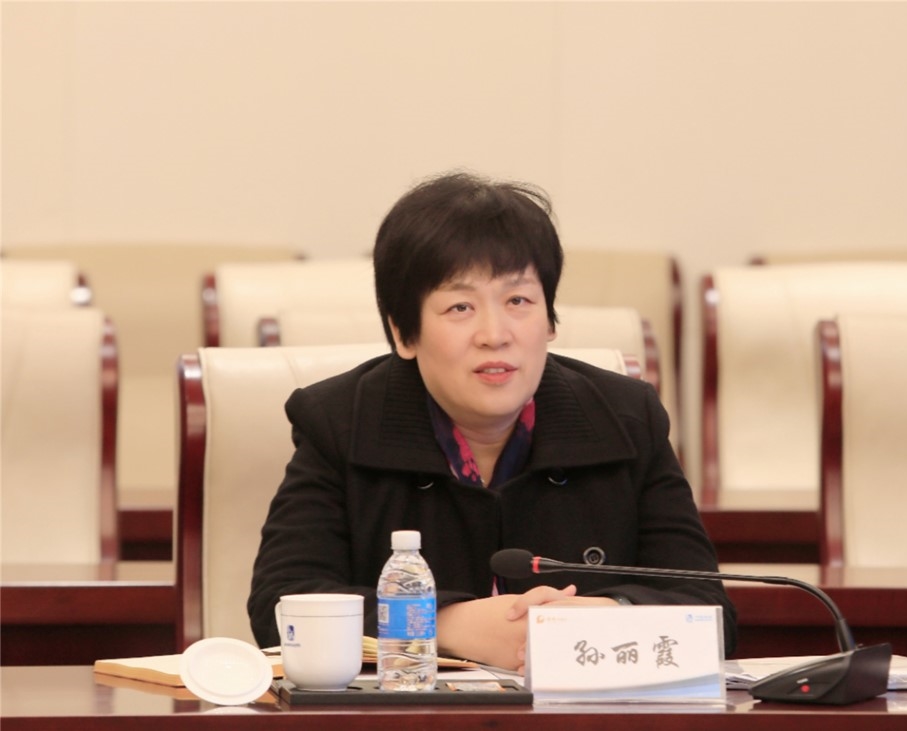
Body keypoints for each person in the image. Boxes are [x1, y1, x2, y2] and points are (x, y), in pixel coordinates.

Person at [248, 171, 736, 671]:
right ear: (403, 333)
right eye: (460, 306)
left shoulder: (626, 418)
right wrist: (445, 625)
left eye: (518, 301)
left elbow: (709, 610)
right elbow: (280, 606)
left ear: (550, 319)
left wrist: (604, 617)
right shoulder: (341, 423)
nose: (494, 334)